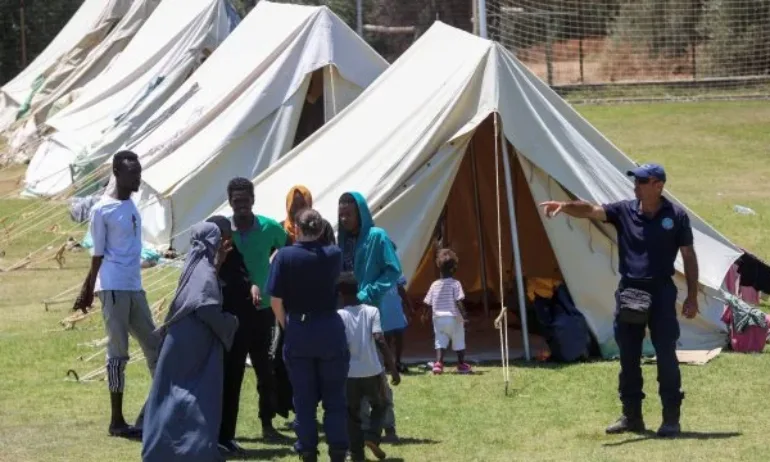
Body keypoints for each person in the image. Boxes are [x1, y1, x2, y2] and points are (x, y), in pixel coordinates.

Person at [540, 163, 698, 437]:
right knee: (628, 356)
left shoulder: (677, 216)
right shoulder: (625, 210)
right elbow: (591, 210)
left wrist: (692, 296)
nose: (635, 186)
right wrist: (565, 206)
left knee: (666, 356)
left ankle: (671, 419)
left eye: (641, 182)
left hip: (661, 292)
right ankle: (631, 417)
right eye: (635, 181)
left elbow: (689, 255)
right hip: (630, 292)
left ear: (658, 186)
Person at [73, 150, 160, 439]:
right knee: (118, 354)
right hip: (112, 287)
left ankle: (156, 412)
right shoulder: (102, 210)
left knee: (156, 348)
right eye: (132, 173)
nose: (138, 178)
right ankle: (116, 421)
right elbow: (97, 255)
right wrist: (87, 291)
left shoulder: (131, 204)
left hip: (134, 286)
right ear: (117, 174)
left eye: (139, 172)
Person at [141, 221, 239, 462]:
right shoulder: (204, 273)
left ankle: (165, 448)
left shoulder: (194, 265)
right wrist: (230, 323)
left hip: (182, 340)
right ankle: (196, 450)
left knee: (173, 395)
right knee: (196, 397)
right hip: (195, 343)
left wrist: (218, 262)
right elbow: (206, 308)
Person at [268, 208, 348, 462]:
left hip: (299, 328)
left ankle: (308, 450)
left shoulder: (284, 257)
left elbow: (276, 301)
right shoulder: (334, 254)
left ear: (296, 228)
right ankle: (338, 451)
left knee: (303, 400)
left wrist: (288, 326)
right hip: (329, 327)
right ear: (321, 228)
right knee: (335, 398)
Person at [337, 192, 403, 441]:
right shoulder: (342, 240)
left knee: (375, 369)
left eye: (349, 214)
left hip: (370, 309)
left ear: (361, 213)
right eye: (341, 214)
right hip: (347, 311)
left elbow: (393, 270)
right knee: (353, 369)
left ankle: (388, 425)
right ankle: (362, 426)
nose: (344, 219)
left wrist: (369, 291)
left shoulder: (377, 236)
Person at [227, 177, 288, 439]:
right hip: (233, 312)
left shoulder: (269, 227)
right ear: (230, 202)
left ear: (253, 200)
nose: (241, 205)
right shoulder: (224, 231)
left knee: (265, 370)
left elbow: (288, 252)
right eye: (236, 201)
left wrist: (275, 282)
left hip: (263, 310)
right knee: (233, 371)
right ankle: (227, 430)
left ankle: (267, 425)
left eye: (246, 200)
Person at [272, 185, 337, 429]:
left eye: (302, 204)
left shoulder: (321, 226)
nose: (298, 208)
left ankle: (311, 412)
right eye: (295, 204)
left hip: (316, 304)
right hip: (288, 305)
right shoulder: (281, 229)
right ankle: (297, 410)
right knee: (286, 360)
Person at [205, 215, 259, 454]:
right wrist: (218, 261)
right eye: (222, 236)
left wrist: (252, 286)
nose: (227, 240)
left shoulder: (234, 254)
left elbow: (243, 277)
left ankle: (227, 435)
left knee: (234, 382)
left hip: (239, 329)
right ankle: (212, 436)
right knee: (216, 385)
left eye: (229, 235)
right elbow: (205, 288)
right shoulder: (204, 258)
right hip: (218, 332)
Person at [337, 272, 401, 462]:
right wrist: (393, 368)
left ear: (340, 294)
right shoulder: (372, 311)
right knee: (381, 405)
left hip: (349, 374)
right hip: (373, 371)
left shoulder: (339, 316)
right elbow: (380, 339)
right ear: (358, 289)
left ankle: (356, 454)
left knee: (352, 414)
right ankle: (372, 436)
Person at [423, 248, 472, 375]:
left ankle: (438, 364)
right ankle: (461, 364)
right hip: (454, 318)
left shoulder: (434, 285)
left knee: (440, 341)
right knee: (458, 340)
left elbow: (427, 303)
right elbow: (458, 301)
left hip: (438, 319)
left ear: (439, 267)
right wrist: (465, 316)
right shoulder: (455, 284)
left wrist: (424, 315)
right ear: (454, 268)